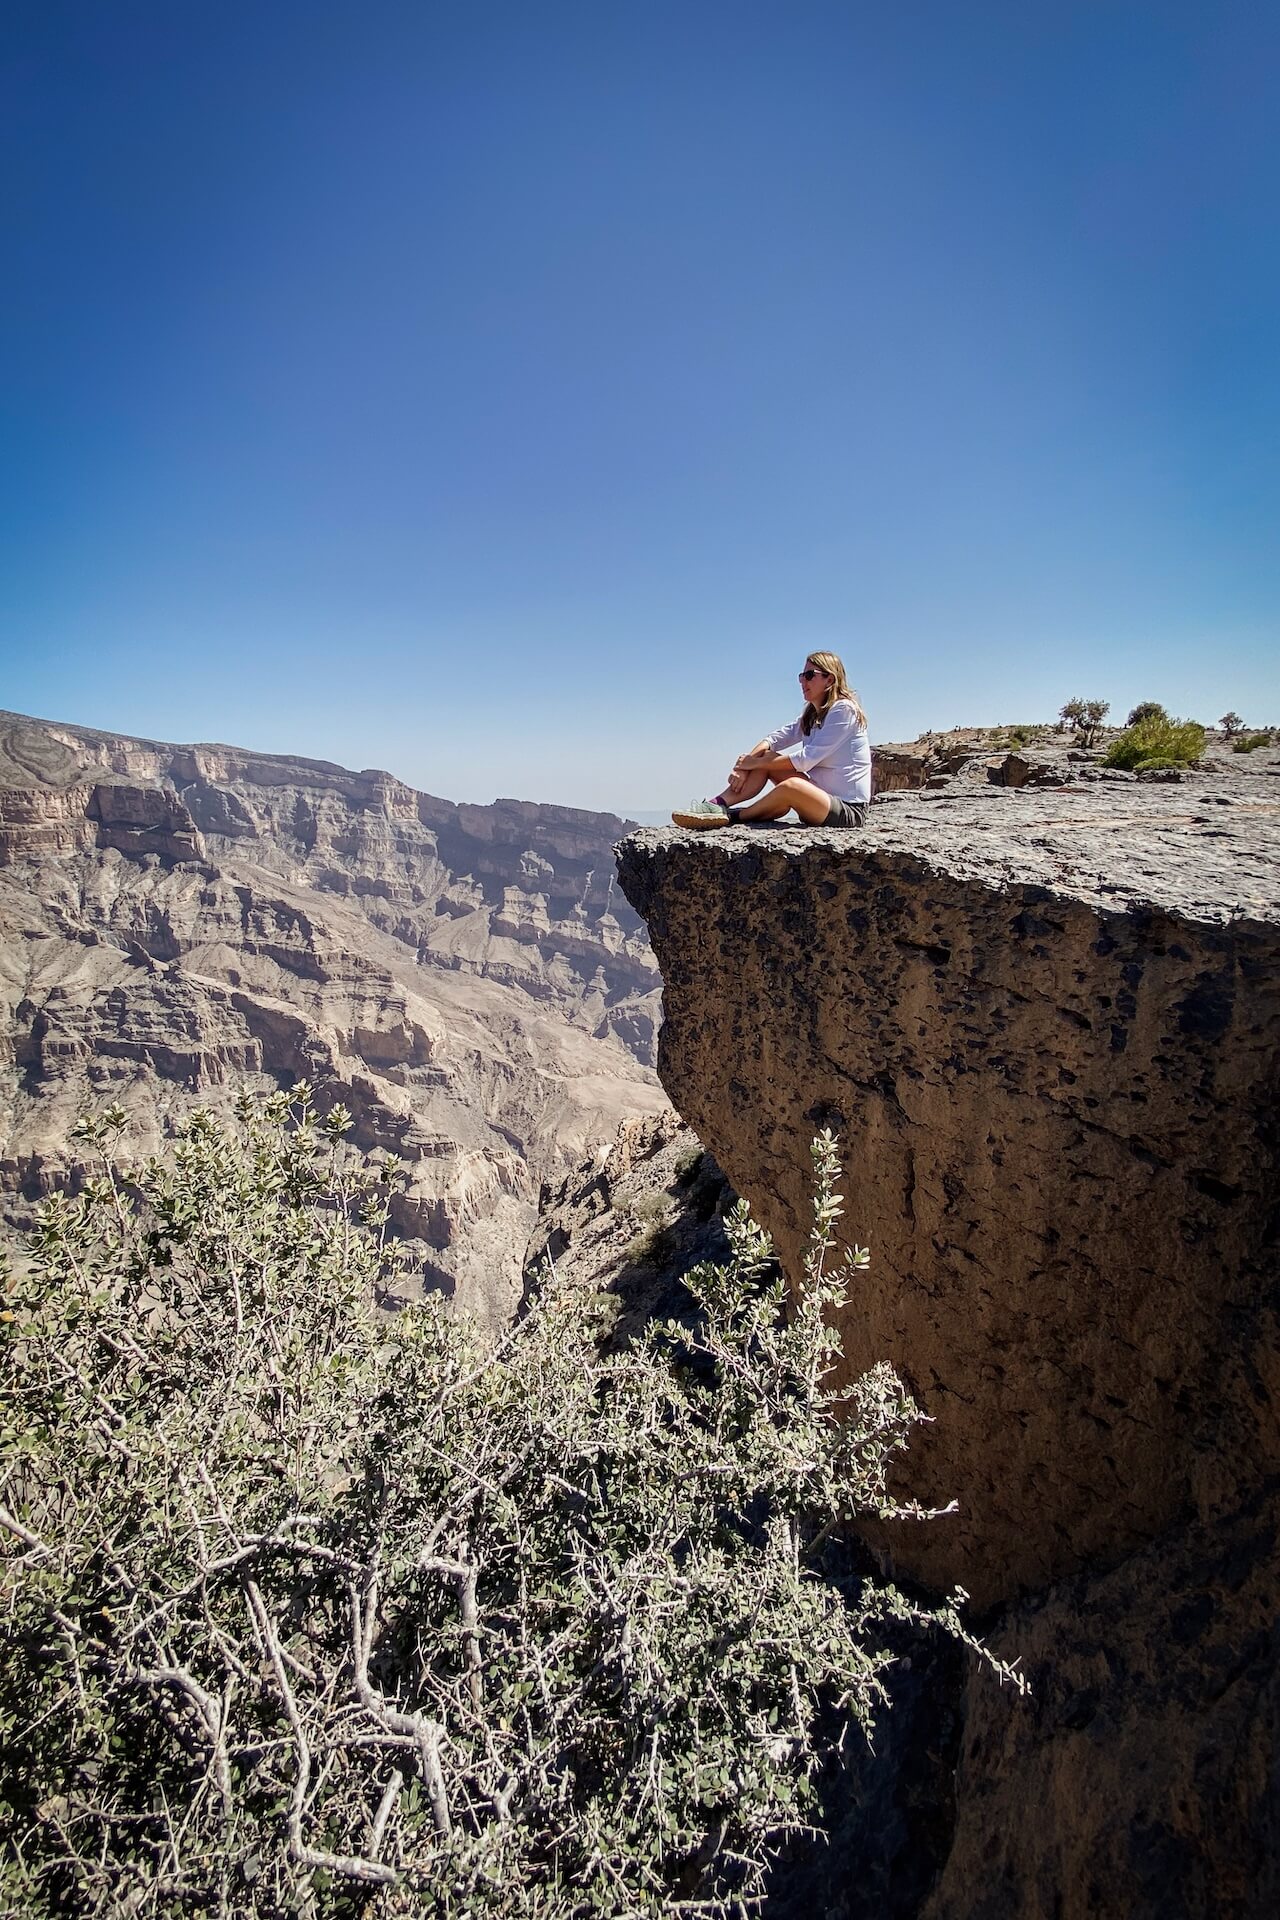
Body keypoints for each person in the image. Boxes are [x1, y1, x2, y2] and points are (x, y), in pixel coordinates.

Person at [672, 652, 871, 829]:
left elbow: (806, 760)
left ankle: (733, 816)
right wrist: (744, 767)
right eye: (802, 676)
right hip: (818, 798)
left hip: (848, 810)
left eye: (810, 675)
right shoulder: (813, 715)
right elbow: (773, 740)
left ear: (829, 680)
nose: (803, 682)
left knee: (790, 786)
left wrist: (755, 762)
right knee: (766, 757)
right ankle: (717, 804)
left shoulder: (844, 710)